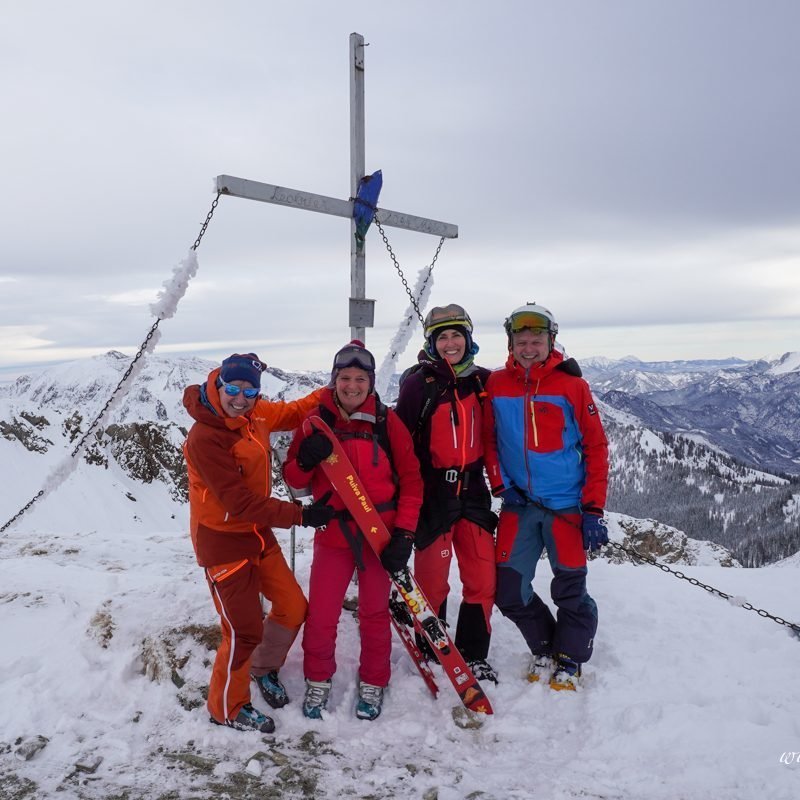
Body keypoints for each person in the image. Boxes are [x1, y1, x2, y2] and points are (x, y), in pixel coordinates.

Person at [183, 353, 335, 732]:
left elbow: (296, 411)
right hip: (223, 541)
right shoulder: (206, 436)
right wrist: (301, 515)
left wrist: (340, 384)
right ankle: (226, 708)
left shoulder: (257, 414)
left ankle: (263, 668)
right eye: (233, 389)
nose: (241, 397)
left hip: (256, 533)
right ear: (218, 385)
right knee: (242, 630)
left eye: (250, 391)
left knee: (292, 605)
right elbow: (238, 502)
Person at [284, 340, 423, 721]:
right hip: (334, 534)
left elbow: (411, 480)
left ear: (371, 382)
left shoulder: (385, 422)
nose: (351, 386)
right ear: (334, 380)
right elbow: (294, 482)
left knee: (375, 613)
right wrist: (305, 459)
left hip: (380, 533)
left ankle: (374, 681)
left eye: (360, 379)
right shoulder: (315, 422)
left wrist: (406, 534)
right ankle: (317, 679)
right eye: (344, 378)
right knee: (323, 613)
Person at [483, 304, 609, 691]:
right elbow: (488, 441)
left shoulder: (571, 385)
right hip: (519, 505)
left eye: (536, 340)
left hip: (565, 506)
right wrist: (502, 485)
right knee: (508, 589)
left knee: (569, 587)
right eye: (521, 341)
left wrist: (593, 508)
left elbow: (596, 446)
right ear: (511, 343)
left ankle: (570, 657)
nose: (528, 347)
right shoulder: (496, 384)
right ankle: (545, 645)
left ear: (550, 341)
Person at [395, 304, 499, 683]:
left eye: (456, 335)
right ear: (432, 343)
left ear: (468, 338)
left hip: (473, 491)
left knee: (482, 578)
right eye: (442, 337)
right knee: (433, 580)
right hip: (434, 493)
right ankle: (432, 647)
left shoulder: (484, 382)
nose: (450, 343)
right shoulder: (418, 384)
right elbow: (400, 442)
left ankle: (473, 654)